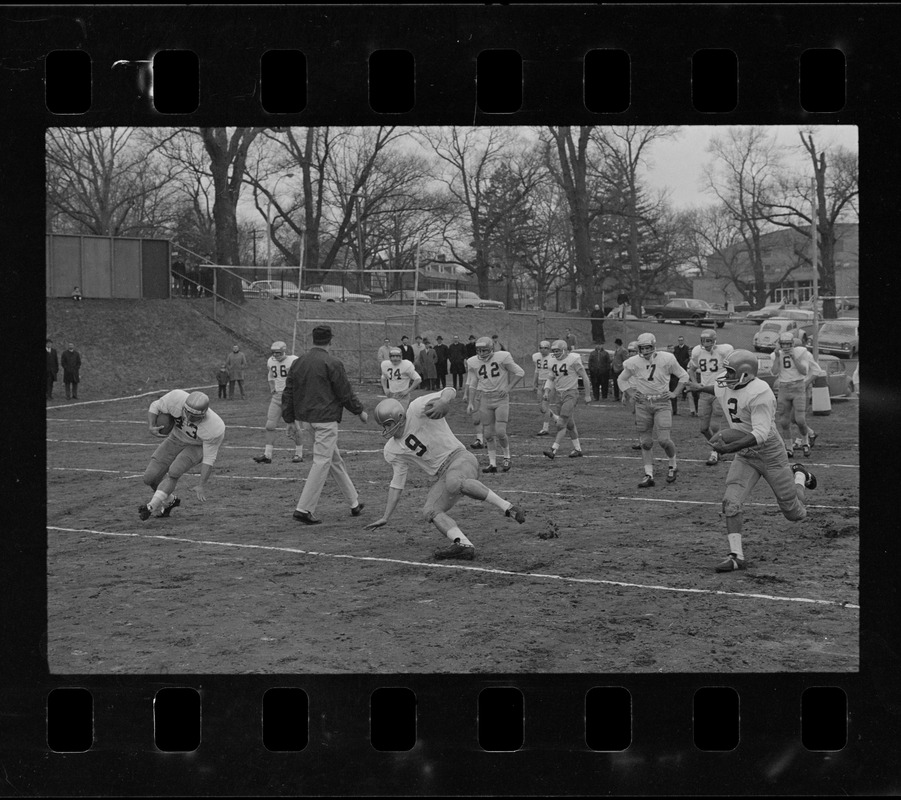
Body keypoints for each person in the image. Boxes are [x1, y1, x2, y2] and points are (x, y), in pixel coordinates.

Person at [686, 349, 817, 573]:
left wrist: (728, 448)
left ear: (745, 375)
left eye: (730, 372)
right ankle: (736, 556)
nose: (724, 376)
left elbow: (760, 435)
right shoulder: (727, 384)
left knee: (795, 513)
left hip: (769, 453)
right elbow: (716, 389)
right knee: (730, 502)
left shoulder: (761, 392)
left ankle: (799, 476)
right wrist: (699, 387)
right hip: (746, 454)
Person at [365, 391, 526, 561]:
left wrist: (443, 400)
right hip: (443, 474)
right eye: (383, 426)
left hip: (460, 458)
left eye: (388, 424)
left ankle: (508, 508)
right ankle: (462, 543)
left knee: (454, 481)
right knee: (430, 510)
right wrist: (386, 516)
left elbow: (449, 390)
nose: (386, 429)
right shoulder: (392, 449)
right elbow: (397, 484)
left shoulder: (417, 409)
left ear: (399, 416)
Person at [281, 325, 368, 525]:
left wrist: (289, 420)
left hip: (308, 420)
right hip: (326, 420)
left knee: (334, 460)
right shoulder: (333, 362)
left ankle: (354, 502)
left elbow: (289, 392)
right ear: (331, 340)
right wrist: (359, 411)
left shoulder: (299, 362)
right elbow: (344, 392)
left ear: (313, 339)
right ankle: (303, 509)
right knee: (321, 462)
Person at [138, 390, 225, 520]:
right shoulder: (176, 399)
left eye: (194, 417)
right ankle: (171, 501)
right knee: (150, 478)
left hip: (197, 446)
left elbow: (209, 459)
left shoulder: (214, 428)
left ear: (203, 414)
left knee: (174, 471)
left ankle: (151, 506)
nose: (189, 418)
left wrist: (201, 485)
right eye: (187, 413)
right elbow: (155, 406)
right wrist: (151, 426)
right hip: (175, 438)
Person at [617, 332, 688, 487]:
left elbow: (684, 376)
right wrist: (630, 392)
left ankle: (673, 465)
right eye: (642, 348)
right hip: (643, 403)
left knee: (663, 440)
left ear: (654, 346)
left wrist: (675, 393)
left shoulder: (667, 358)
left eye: (648, 347)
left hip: (662, 402)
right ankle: (648, 474)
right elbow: (621, 379)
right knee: (646, 442)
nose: (646, 350)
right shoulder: (633, 362)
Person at [464, 336, 525, 472]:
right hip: (485, 398)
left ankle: (507, 457)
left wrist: (508, 388)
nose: (481, 354)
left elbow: (520, 372)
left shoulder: (502, 357)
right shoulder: (473, 362)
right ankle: (492, 463)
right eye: (479, 350)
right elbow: (473, 383)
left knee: (501, 432)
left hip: (500, 397)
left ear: (491, 349)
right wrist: (470, 402)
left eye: (484, 350)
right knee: (488, 434)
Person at [253, 341, 305, 464]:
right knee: (269, 425)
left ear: (284, 351)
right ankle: (267, 455)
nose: (276, 355)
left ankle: (299, 453)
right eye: (274, 353)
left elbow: (302, 377)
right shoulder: (270, 361)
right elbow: (270, 376)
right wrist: (272, 387)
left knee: (296, 427)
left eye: (278, 352)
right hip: (277, 397)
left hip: (291, 397)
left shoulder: (293, 360)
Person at [771, 332, 821, 458]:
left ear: (792, 344)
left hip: (798, 386)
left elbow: (804, 371)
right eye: (783, 344)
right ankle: (789, 447)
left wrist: (794, 358)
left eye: (788, 344)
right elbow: (774, 372)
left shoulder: (801, 353)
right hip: (783, 387)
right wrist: (777, 356)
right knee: (784, 422)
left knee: (800, 419)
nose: (786, 347)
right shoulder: (776, 354)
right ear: (780, 344)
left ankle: (805, 443)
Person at [689, 329, 734, 466]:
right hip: (704, 391)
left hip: (719, 391)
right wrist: (695, 383)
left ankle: (714, 453)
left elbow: (732, 368)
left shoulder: (723, 351)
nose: (706, 343)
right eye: (703, 341)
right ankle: (717, 447)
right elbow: (691, 369)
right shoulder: (698, 352)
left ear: (714, 340)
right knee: (703, 428)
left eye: (709, 340)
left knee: (715, 425)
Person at [542, 339, 592, 460]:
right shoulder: (551, 361)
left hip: (571, 393)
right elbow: (550, 378)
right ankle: (578, 449)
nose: (556, 353)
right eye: (553, 351)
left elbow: (585, 377)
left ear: (564, 349)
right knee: (569, 424)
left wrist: (587, 394)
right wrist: (547, 391)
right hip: (559, 394)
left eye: (558, 350)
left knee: (561, 422)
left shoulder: (573, 360)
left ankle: (553, 449)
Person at [531, 340, 554, 435]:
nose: (543, 350)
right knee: (542, 408)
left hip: (549, 383)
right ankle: (556, 418)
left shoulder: (553, 357)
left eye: (545, 348)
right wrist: (534, 383)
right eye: (541, 348)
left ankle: (545, 428)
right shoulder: (536, 357)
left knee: (545, 406)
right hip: (540, 383)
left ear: (549, 349)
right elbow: (537, 370)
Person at [672, 335, 692, 412]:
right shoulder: (676, 349)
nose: (680, 341)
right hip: (677, 368)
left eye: (681, 340)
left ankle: (684, 395)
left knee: (684, 382)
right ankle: (677, 394)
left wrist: (684, 363)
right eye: (679, 340)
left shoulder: (686, 348)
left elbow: (688, 357)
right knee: (677, 382)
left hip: (684, 367)